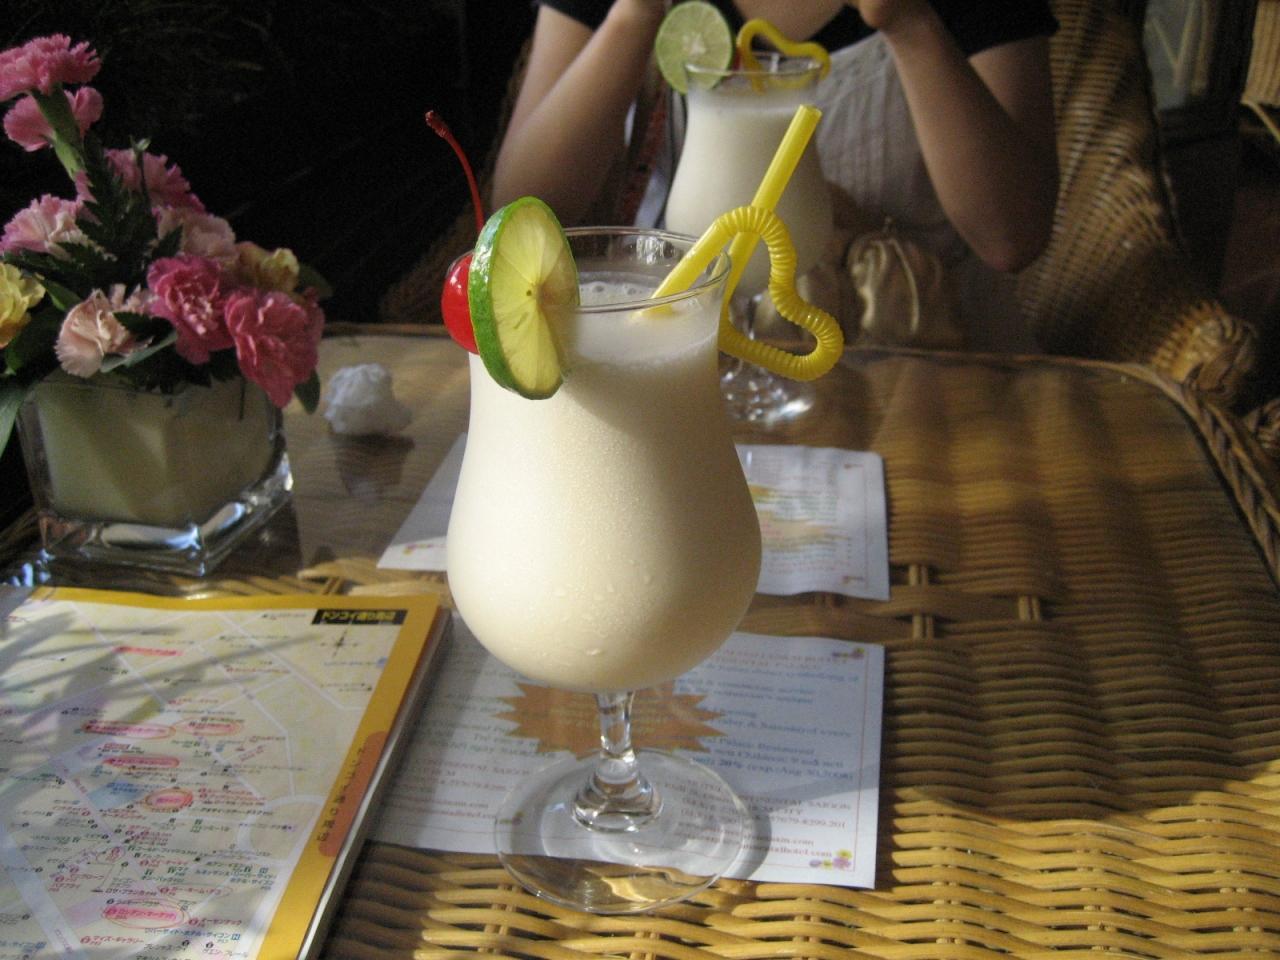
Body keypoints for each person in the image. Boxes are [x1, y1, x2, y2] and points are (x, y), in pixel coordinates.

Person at [491, 0, 1060, 350]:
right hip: (688, 348)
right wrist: (634, 14)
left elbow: (1013, 238)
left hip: (930, 356)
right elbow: (524, 209)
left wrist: (909, 21)